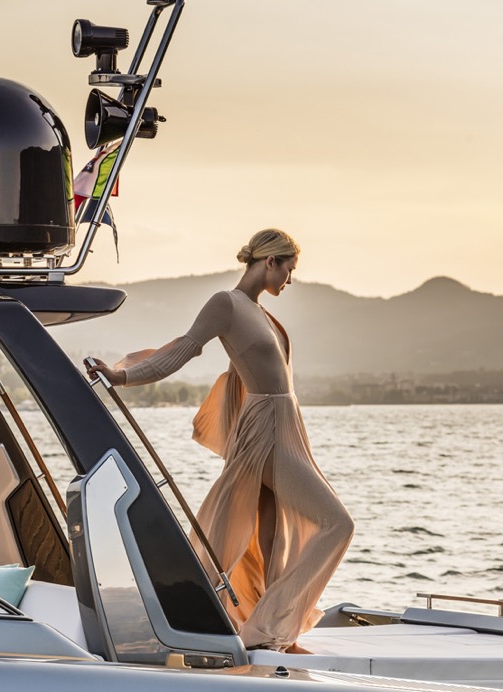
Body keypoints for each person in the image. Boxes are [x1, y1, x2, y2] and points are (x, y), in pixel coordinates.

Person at [85, 228, 354, 652]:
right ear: (270, 261)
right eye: (289, 269)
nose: (290, 279)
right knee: (337, 523)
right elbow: (183, 349)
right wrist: (122, 376)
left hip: (287, 428)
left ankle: (271, 632)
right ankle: (268, 630)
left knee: (271, 537)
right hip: (267, 431)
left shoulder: (261, 312)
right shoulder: (226, 304)